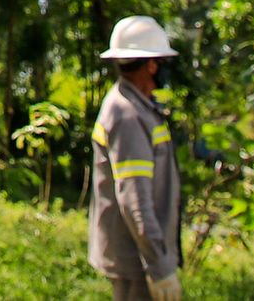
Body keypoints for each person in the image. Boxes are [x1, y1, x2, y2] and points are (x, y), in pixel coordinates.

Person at [89, 16, 184, 301]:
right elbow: (135, 201)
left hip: (141, 258)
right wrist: (160, 266)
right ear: (151, 64)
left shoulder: (138, 107)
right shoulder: (128, 115)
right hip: (138, 262)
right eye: (161, 63)